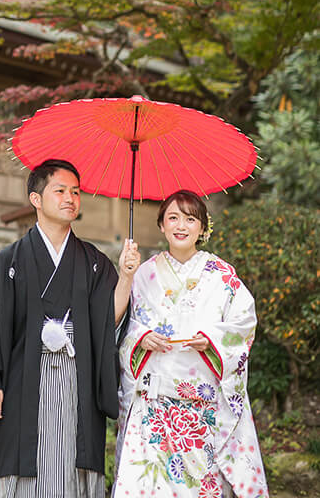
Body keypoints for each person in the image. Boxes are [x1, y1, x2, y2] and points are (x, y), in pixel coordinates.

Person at [0, 158, 141, 498]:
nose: (70, 198)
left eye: (76, 191)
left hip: (77, 378)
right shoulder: (8, 261)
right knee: (26, 461)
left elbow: (107, 322)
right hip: (24, 378)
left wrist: (126, 276)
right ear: (36, 199)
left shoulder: (94, 262)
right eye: (60, 191)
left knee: (74, 459)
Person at [112, 189, 269, 498]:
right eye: (172, 217)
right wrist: (141, 338)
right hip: (153, 405)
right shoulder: (142, 274)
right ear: (161, 225)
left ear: (202, 227)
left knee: (200, 488)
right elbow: (120, 327)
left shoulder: (223, 276)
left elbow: (244, 325)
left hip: (203, 406)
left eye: (190, 218)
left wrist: (212, 340)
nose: (180, 225)